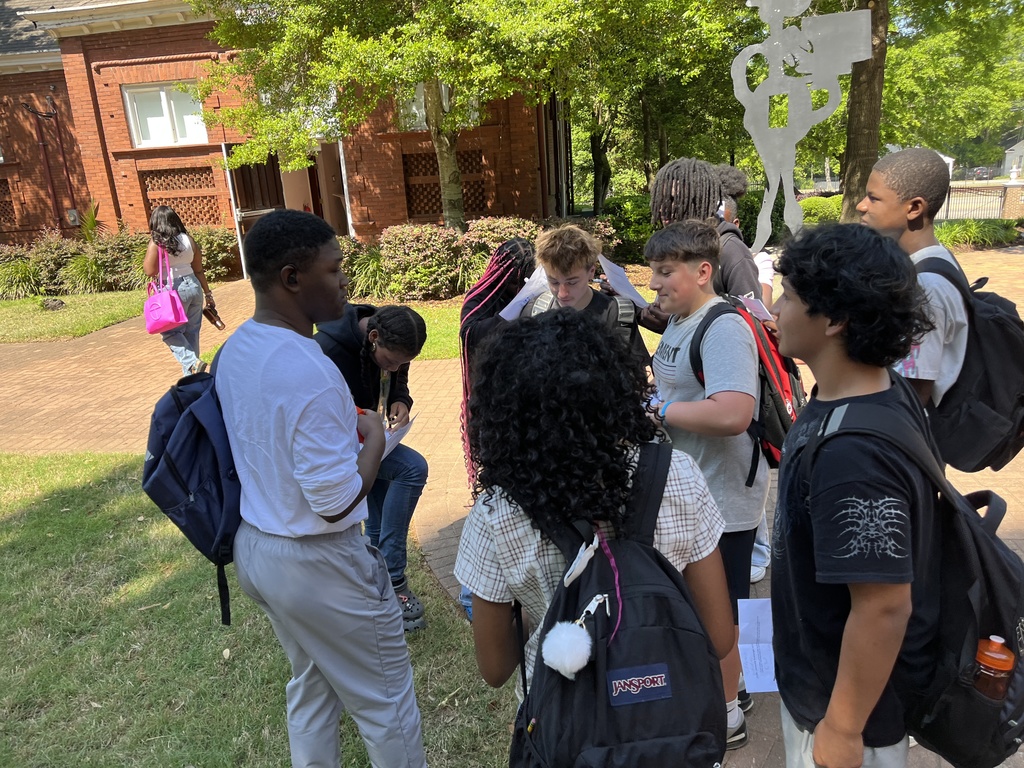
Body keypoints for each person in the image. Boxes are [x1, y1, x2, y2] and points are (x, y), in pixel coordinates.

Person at [216, 209, 426, 768]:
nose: (344, 282)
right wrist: (375, 438)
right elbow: (334, 502)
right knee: (387, 704)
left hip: (260, 548)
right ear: (292, 278)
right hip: (318, 561)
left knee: (312, 685)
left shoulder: (236, 349)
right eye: (333, 270)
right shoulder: (307, 370)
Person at [454, 308, 734, 695]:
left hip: (561, 711)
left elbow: (496, 668)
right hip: (669, 705)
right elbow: (719, 637)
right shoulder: (678, 474)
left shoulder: (496, 514)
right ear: (616, 390)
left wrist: (545, 607)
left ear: (504, 414)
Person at [770, 223, 939, 768]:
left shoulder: (853, 455)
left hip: (846, 716)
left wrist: (842, 726)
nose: (775, 309)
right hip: (829, 691)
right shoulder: (871, 390)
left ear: (834, 319)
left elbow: (884, 605)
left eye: (788, 296)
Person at [647, 219, 769, 749]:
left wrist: (660, 410)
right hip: (696, 489)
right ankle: (739, 686)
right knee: (720, 603)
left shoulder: (722, 327)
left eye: (664, 272)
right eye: (653, 271)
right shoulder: (680, 320)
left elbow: (733, 412)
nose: (654, 284)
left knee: (725, 608)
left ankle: (729, 716)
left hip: (724, 493)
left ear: (702, 271)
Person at [315, 304, 430, 632]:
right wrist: (363, 423)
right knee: (412, 468)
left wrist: (400, 400)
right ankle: (392, 579)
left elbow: (397, 377)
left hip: (375, 441)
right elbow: (322, 411)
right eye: (391, 361)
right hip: (345, 448)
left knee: (377, 519)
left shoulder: (391, 336)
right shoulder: (329, 351)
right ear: (373, 337)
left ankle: (373, 585)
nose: (396, 367)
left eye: (403, 362)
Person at [457, 238, 538, 621]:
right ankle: (473, 595)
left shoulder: (529, 298)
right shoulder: (480, 301)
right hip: (491, 414)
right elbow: (477, 334)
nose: (523, 283)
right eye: (521, 276)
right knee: (493, 495)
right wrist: (521, 301)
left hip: (522, 410)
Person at [857, 147, 968, 411]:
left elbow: (912, 394)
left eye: (874, 198)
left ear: (914, 208)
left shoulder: (925, 287)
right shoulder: (936, 260)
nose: (861, 205)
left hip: (919, 433)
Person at [522, 224, 650, 367]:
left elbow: (637, 370)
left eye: (572, 282)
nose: (562, 293)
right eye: (554, 282)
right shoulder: (535, 311)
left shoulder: (617, 315)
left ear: (591, 272)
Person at [650, 158, 761, 300]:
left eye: (673, 200)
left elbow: (752, 312)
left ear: (698, 200)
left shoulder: (730, 250)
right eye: (661, 200)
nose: (663, 208)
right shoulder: (673, 247)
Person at [143, 205, 215, 376]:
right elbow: (199, 270)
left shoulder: (157, 242)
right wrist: (208, 294)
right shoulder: (188, 240)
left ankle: (191, 362)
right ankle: (193, 377)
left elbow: (149, 271)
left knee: (170, 331)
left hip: (173, 290)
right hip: (194, 286)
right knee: (191, 332)